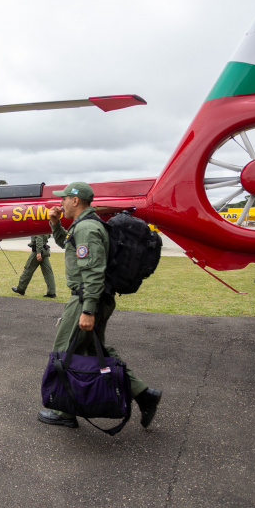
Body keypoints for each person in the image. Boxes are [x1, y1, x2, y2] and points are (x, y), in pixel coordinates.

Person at [38, 182, 162, 429]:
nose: (60, 202)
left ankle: (64, 412)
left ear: (76, 201)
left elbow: (94, 271)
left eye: (64, 199)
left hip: (86, 298)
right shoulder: (85, 225)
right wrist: (55, 224)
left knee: (66, 350)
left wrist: (87, 310)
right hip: (95, 298)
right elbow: (68, 245)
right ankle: (143, 394)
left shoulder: (87, 227)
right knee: (94, 353)